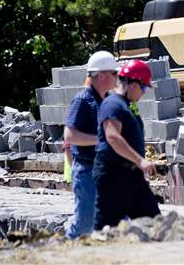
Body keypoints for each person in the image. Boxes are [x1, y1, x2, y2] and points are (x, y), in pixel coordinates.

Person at [93, 59, 159, 230]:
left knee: (154, 224)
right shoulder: (112, 104)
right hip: (113, 177)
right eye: (144, 87)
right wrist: (140, 161)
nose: (143, 92)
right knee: (106, 229)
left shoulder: (127, 105)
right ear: (132, 84)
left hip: (132, 177)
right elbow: (113, 137)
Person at [63, 51, 119, 239]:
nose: (117, 78)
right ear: (102, 75)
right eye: (114, 73)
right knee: (84, 223)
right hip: (87, 172)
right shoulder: (83, 100)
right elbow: (70, 135)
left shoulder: (108, 100)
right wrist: (100, 139)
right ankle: (64, 253)